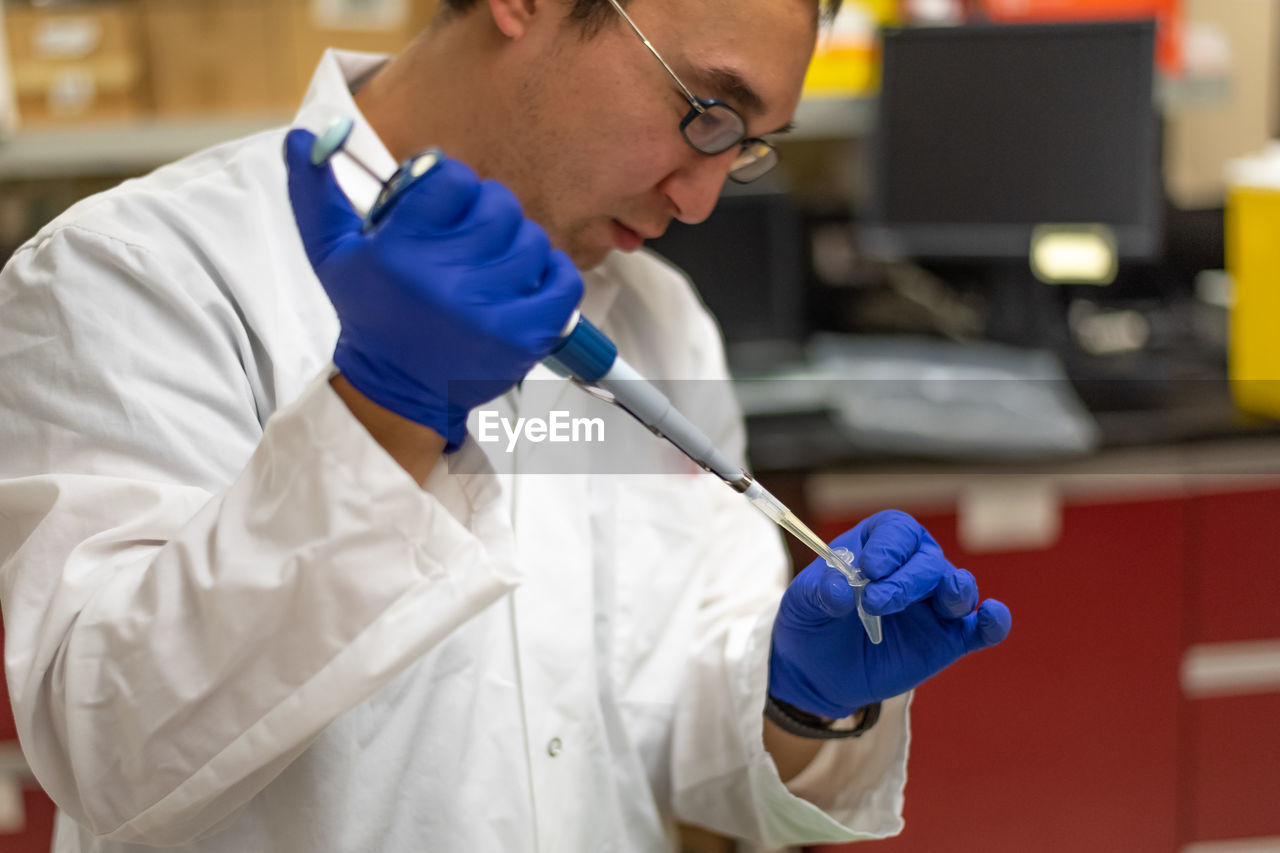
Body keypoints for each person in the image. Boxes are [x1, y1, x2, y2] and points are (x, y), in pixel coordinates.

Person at [0, 0, 1011, 849]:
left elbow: (677, 745)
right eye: (705, 113)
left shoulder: (658, 316)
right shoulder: (141, 270)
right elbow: (107, 749)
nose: (702, 197)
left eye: (744, 151)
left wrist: (791, 699)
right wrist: (380, 416)